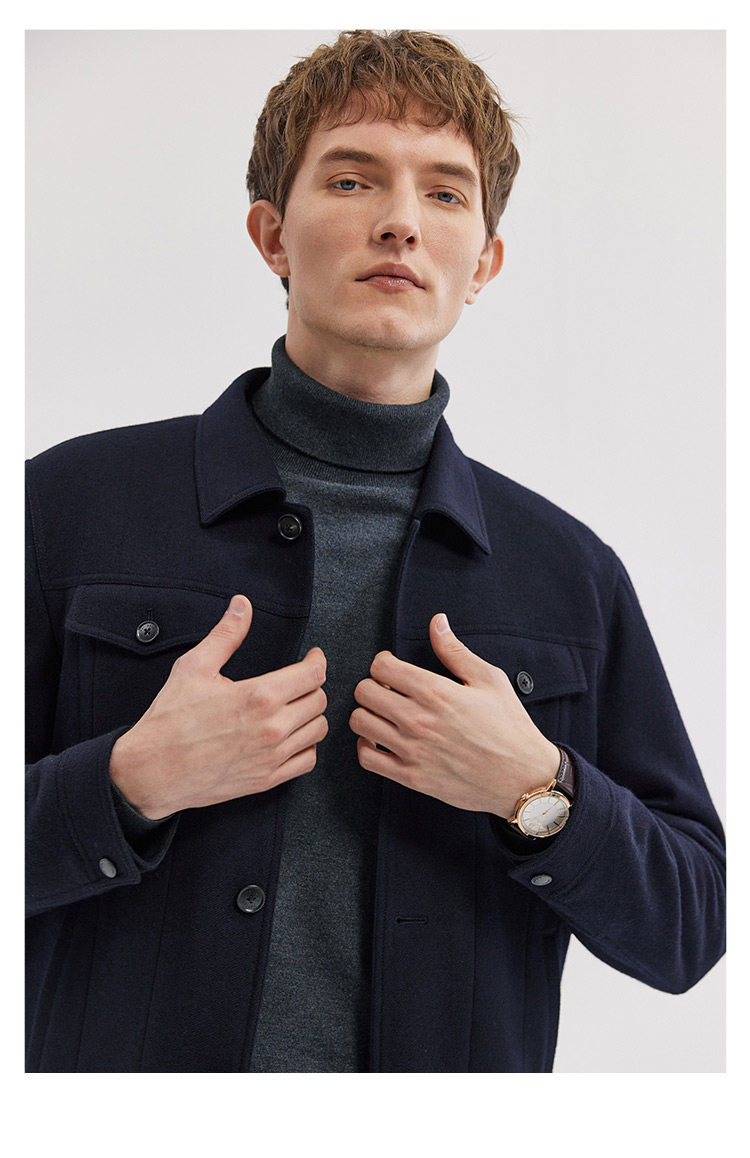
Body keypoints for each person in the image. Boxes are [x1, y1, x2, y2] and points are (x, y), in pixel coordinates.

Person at [25, 29, 725, 1073]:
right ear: (272, 235)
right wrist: (127, 782)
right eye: (352, 179)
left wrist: (536, 790)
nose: (401, 220)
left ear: (483, 264)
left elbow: (690, 928)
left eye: (445, 193)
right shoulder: (64, 507)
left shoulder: (570, 573)